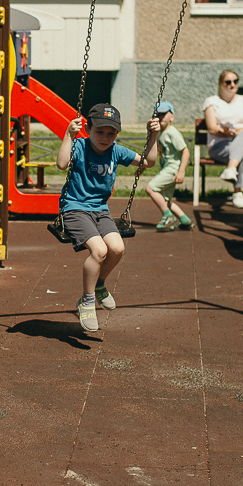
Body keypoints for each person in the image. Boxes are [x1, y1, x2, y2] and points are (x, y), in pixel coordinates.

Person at [56, 103, 161, 332]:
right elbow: (62, 163)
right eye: (99, 131)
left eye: (111, 133)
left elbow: (149, 162)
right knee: (99, 251)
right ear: (89, 129)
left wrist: (154, 135)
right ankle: (86, 301)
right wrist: (68, 136)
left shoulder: (116, 151)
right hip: (74, 209)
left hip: (100, 209)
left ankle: (100, 284)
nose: (105, 138)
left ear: (117, 133)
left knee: (117, 248)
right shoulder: (81, 146)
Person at [202, 70, 243, 209]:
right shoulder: (211, 101)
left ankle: (231, 169)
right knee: (241, 153)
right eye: (228, 82)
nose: (232, 85)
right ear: (220, 84)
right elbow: (212, 128)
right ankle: (238, 193)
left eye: (235, 81)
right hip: (219, 146)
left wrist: (236, 131)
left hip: (241, 140)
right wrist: (225, 132)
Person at [142, 101, 192, 231]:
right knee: (165, 200)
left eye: (164, 114)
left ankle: (168, 216)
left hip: (173, 169)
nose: (160, 117)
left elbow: (185, 151)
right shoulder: (159, 133)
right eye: (158, 114)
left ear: (172, 117)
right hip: (167, 168)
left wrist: (181, 172)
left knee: (150, 188)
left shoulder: (172, 133)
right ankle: (185, 220)